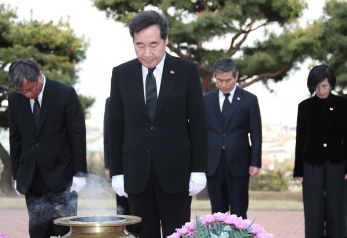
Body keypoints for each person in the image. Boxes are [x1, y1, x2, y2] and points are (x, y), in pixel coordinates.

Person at [108, 10, 208, 238]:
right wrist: (117, 172)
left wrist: (199, 169)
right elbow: (115, 126)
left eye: (154, 44)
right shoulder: (121, 74)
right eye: (139, 45)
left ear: (166, 40)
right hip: (136, 174)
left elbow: (199, 124)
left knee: (177, 233)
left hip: (177, 172)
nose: (147, 53)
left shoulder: (186, 71)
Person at [8, 59, 87, 238]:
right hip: (32, 175)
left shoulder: (65, 93)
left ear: (39, 75)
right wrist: (17, 174)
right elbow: (15, 139)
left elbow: (77, 135)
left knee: (63, 229)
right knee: (37, 229)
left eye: (31, 89)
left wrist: (80, 172)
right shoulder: (14, 99)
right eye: (23, 91)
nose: (28, 94)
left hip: (62, 174)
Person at [203, 58, 262, 219]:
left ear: (236, 77)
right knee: (217, 213)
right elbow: (200, 133)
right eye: (219, 80)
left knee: (239, 211)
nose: (223, 84)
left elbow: (256, 134)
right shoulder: (206, 100)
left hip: (239, 164)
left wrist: (255, 163)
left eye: (228, 80)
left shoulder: (249, 99)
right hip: (213, 164)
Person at [294, 64, 347, 237]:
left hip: (337, 162)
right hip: (311, 163)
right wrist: (298, 169)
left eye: (324, 86)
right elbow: (300, 139)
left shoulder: (342, 104)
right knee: (313, 210)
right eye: (317, 87)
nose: (321, 90)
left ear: (331, 83)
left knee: (337, 208)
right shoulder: (305, 107)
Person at [103, 97, 132, 233]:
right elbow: (108, 135)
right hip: (121, 164)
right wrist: (109, 165)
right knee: (123, 211)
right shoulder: (112, 101)